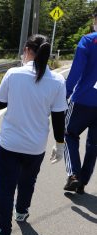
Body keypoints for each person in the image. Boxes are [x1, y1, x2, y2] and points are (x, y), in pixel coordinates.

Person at [0, 34, 67, 235]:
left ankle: (4, 234)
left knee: (5, 188)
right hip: (35, 146)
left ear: (26, 50)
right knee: (28, 181)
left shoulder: (14, 73)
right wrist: (60, 144)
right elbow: (58, 116)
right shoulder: (57, 80)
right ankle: (22, 212)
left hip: (9, 143)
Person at [63, 9, 97, 194]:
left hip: (83, 99)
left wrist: (66, 94)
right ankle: (82, 182)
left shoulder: (88, 40)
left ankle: (74, 175)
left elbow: (76, 70)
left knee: (69, 134)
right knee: (94, 145)